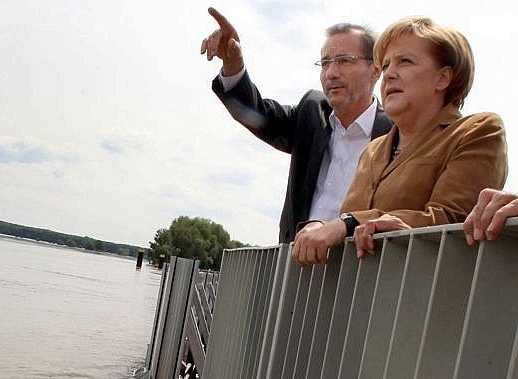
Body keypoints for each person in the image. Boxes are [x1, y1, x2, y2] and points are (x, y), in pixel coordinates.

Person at [292, 16, 508, 265]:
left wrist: (349, 223)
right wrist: (321, 227)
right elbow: (346, 229)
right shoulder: (372, 150)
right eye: (385, 66)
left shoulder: (478, 131)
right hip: (355, 297)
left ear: (443, 78)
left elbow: (453, 219)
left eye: (404, 61)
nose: (389, 74)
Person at [201, 7, 392, 244]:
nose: (331, 73)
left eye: (344, 61)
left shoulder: (397, 132)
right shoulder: (312, 113)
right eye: (324, 63)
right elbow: (257, 114)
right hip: (297, 271)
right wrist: (233, 65)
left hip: (361, 270)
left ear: (376, 70)